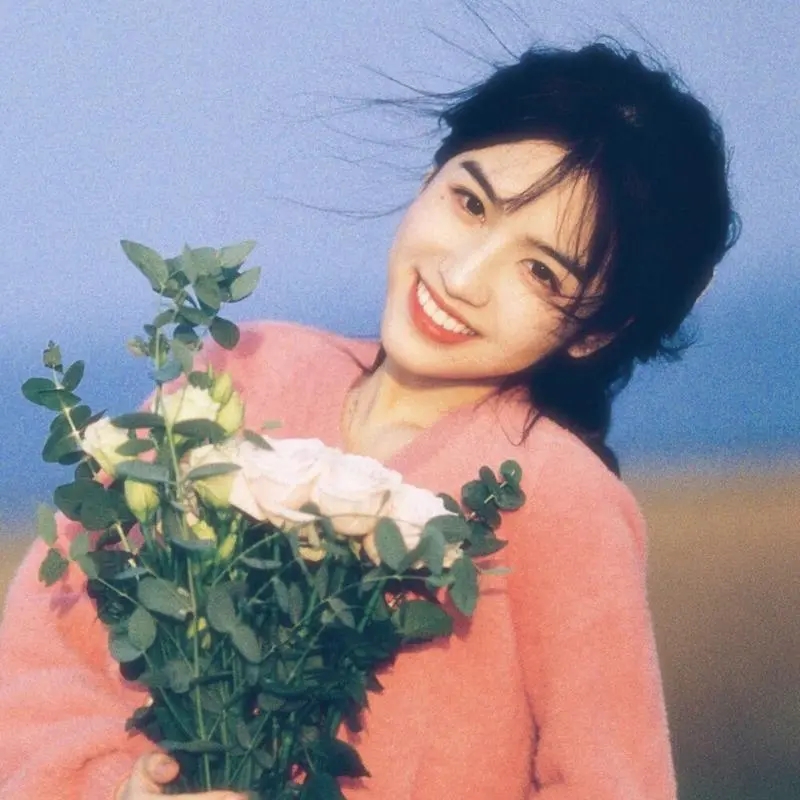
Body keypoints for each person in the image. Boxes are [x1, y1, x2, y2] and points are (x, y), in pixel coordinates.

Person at [0, 40, 737, 799]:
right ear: (429, 178)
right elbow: (38, 650)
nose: (462, 276)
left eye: (541, 271)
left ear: (595, 332)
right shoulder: (243, 368)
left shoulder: (561, 502)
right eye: (470, 204)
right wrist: (114, 787)